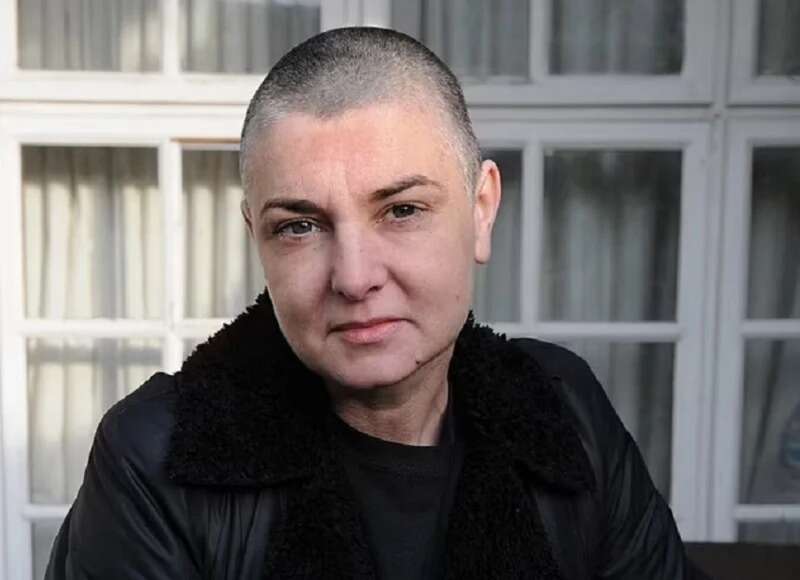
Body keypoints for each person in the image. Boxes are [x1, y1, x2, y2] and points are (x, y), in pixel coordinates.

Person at [46, 27, 707, 580]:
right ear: (257, 240)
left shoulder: (564, 408)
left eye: (401, 210)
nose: (355, 278)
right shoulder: (153, 457)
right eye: (299, 226)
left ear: (481, 210)